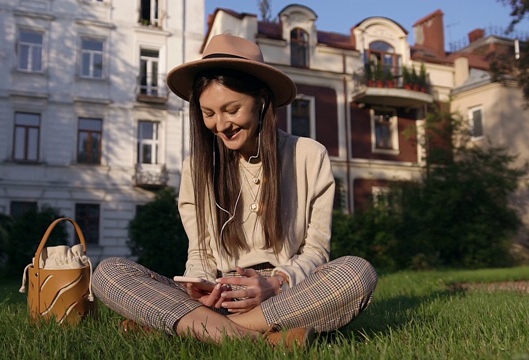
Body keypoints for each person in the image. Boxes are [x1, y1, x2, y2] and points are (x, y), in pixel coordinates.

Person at [92, 34, 377, 348]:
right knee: (108, 273)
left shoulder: (309, 156)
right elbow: (200, 252)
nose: (221, 125)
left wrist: (276, 283)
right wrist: (198, 288)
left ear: (261, 101)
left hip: (283, 294)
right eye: (209, 114)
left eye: (232, 109)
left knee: (356, 272)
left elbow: (315, 251)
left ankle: (199, 330)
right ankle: (259, 338)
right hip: (218, 294)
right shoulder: (196, 167)